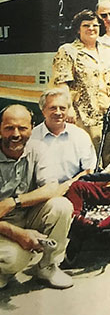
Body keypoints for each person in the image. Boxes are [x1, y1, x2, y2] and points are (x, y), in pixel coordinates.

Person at [0, 104, 74, 290]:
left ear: (32, 128)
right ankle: (5, 271)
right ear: (0, 128)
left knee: (61, 206)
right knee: (16, 259)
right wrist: (17, 234)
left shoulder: (37, 148)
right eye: (9, 128)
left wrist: (13, 202)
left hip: (24, 215)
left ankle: (48, 267)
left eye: (22, 128)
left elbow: (51, 188)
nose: (16, 134)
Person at [52, 9, 110, 165]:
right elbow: (61, 83)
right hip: (83, 115)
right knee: (89, 158)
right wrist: (68, 108)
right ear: (78, 30)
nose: (91, 28)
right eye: (86, 25)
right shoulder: (68, 51)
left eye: (95, 25)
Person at [29, 88, 96, 186]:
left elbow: (89, 170)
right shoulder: (31, 137)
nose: (58, 112)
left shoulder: (80, 136)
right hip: (40, 193)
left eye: (62, 108)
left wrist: (67, 185)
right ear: (43, 111)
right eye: (53, 108)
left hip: (74, 188)